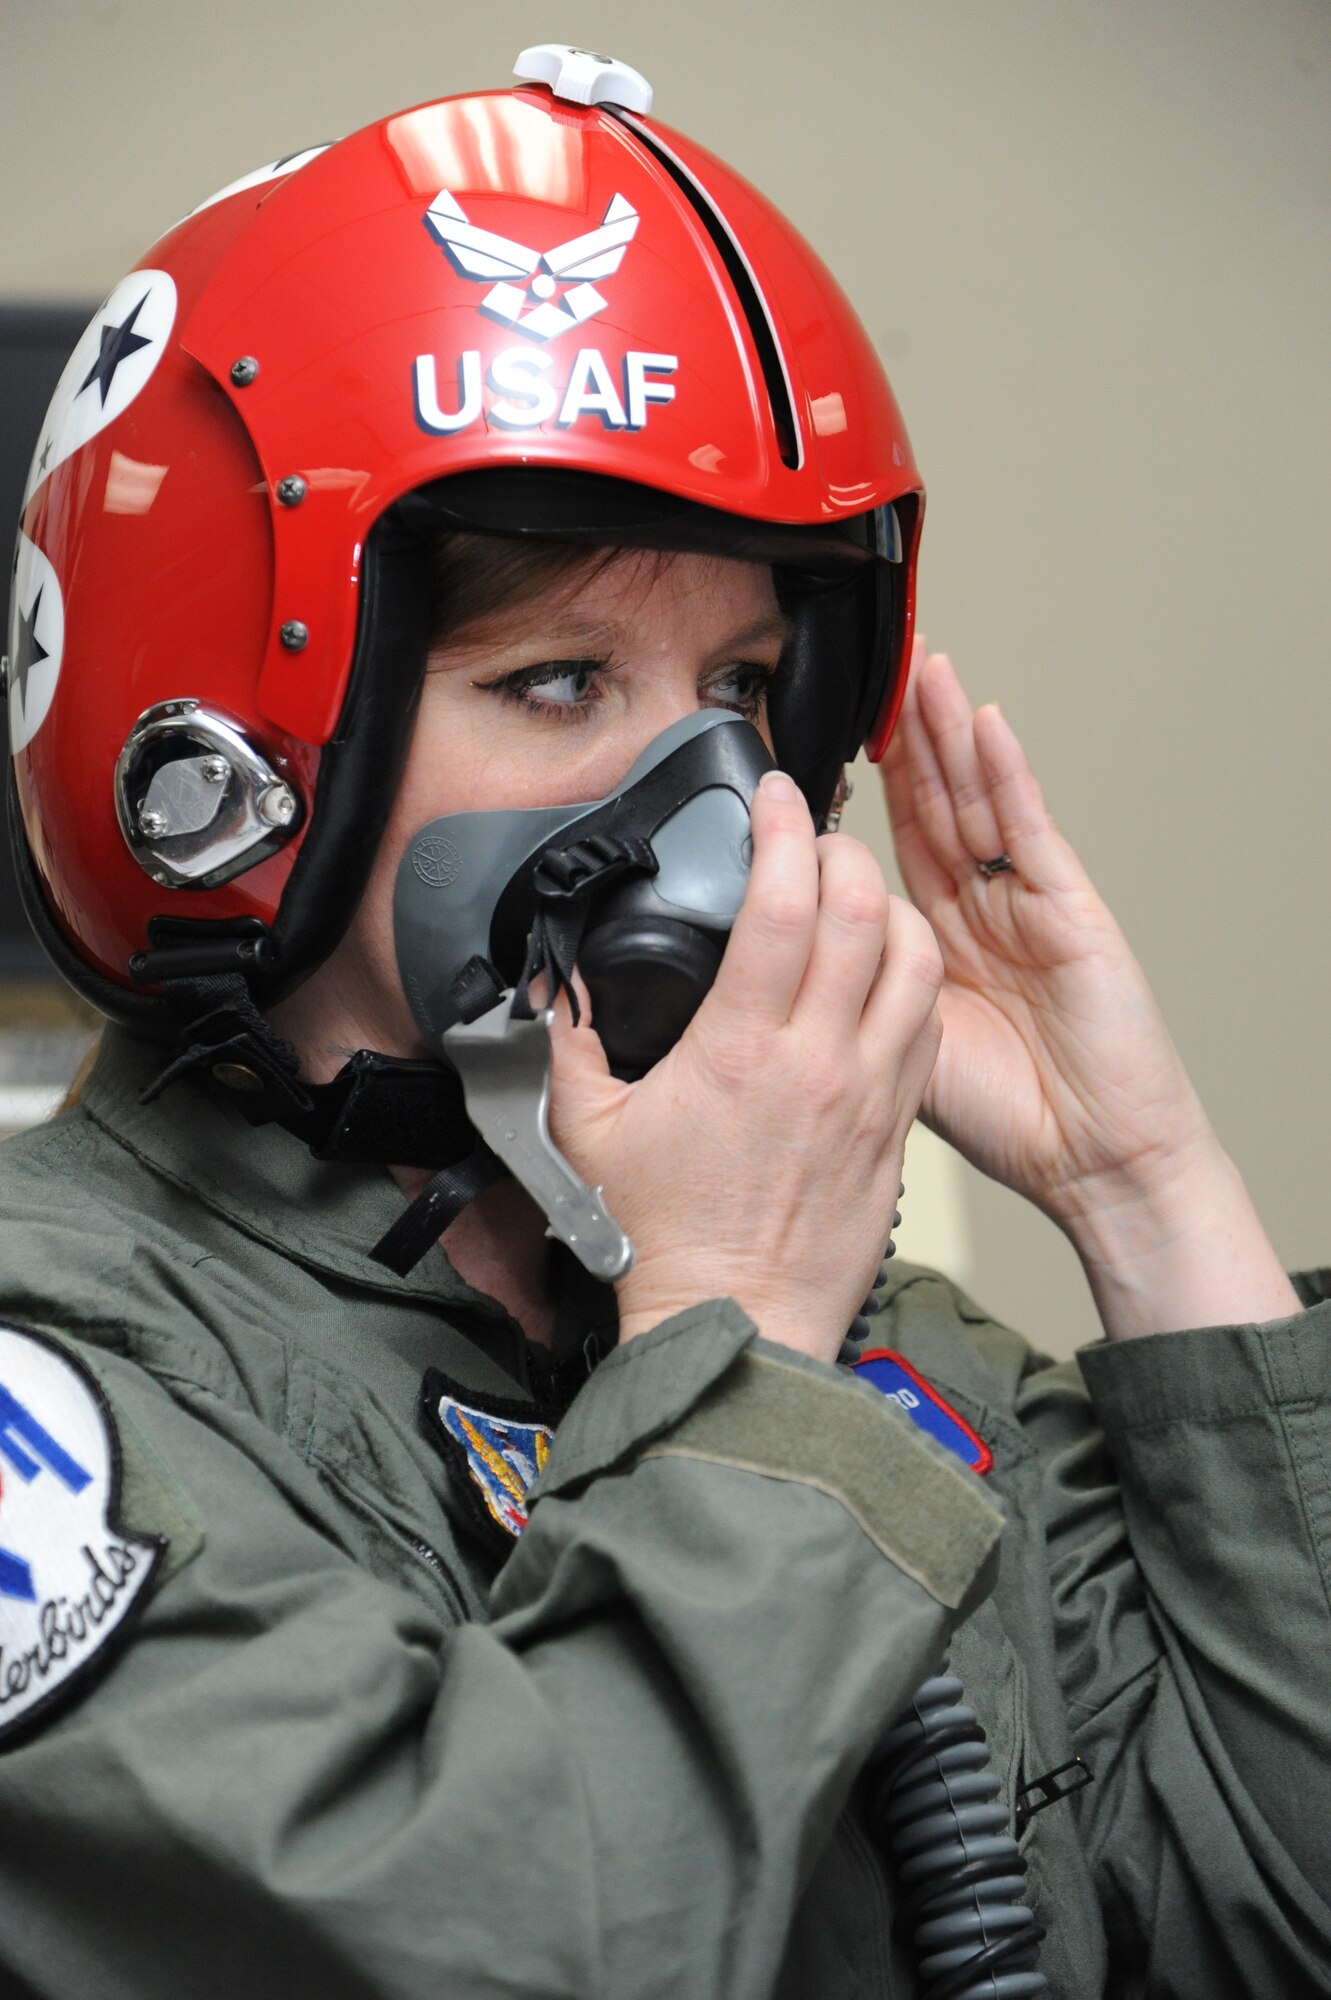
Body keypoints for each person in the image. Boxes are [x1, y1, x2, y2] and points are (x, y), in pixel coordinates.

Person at [1, 43, 1326, 2000]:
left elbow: (1280, 1912)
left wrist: (1145, 1192)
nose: (701, 793)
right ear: (238, 760)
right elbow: (519, 1945)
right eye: (557, 680)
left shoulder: (888, 1354)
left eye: (744, 682)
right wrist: (743, 1342)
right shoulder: (62, 1397)